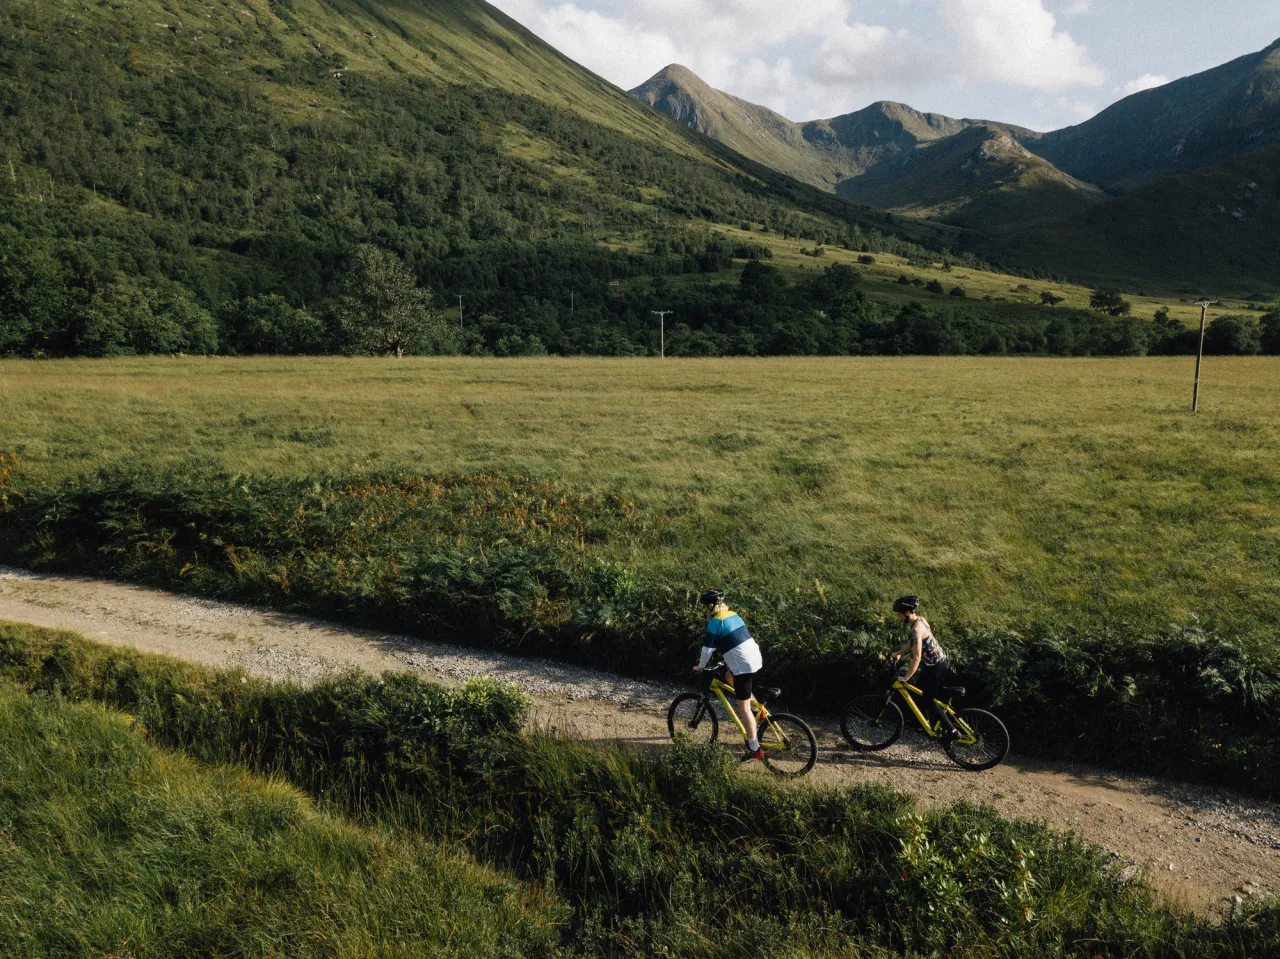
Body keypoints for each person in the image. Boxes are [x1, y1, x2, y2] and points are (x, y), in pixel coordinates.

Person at [693, 588, 765, 761]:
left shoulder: (714, 622)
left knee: (743, 708)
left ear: (711, 606)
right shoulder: (733, 614)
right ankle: (758, 710)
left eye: (705, 606)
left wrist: (700, 667)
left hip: (743, 666)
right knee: (728, 676)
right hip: (755, 657)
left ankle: (755, 748)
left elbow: (707, 649)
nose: (704, 609)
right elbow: (737, 640)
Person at [889, 595, 960, 740]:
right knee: (921, 689)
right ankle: (926, 723)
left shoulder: (916, 630)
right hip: (933, 664)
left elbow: (917, 657)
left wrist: (906, 677)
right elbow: (912, 642)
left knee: (928, 699)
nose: (898, 617)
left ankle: (953, 732)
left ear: (907, 613)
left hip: (936, 666)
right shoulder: (920, 620)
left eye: (899, 614)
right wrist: (899, 653)